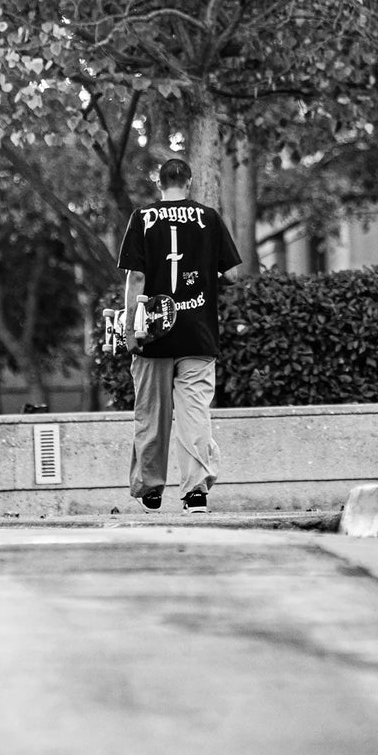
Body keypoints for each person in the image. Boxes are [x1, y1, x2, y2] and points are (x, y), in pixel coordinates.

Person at [116, 158, 241, 514]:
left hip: (152, 335)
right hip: (197, 334)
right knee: (195, 414)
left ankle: (151, 490)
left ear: (160, 183)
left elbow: (136, 278)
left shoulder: (142, 218)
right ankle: (195, 492)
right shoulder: (209, 218)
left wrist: (130, 329)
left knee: (151, 414)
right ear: (189, 182)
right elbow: (231, 275)